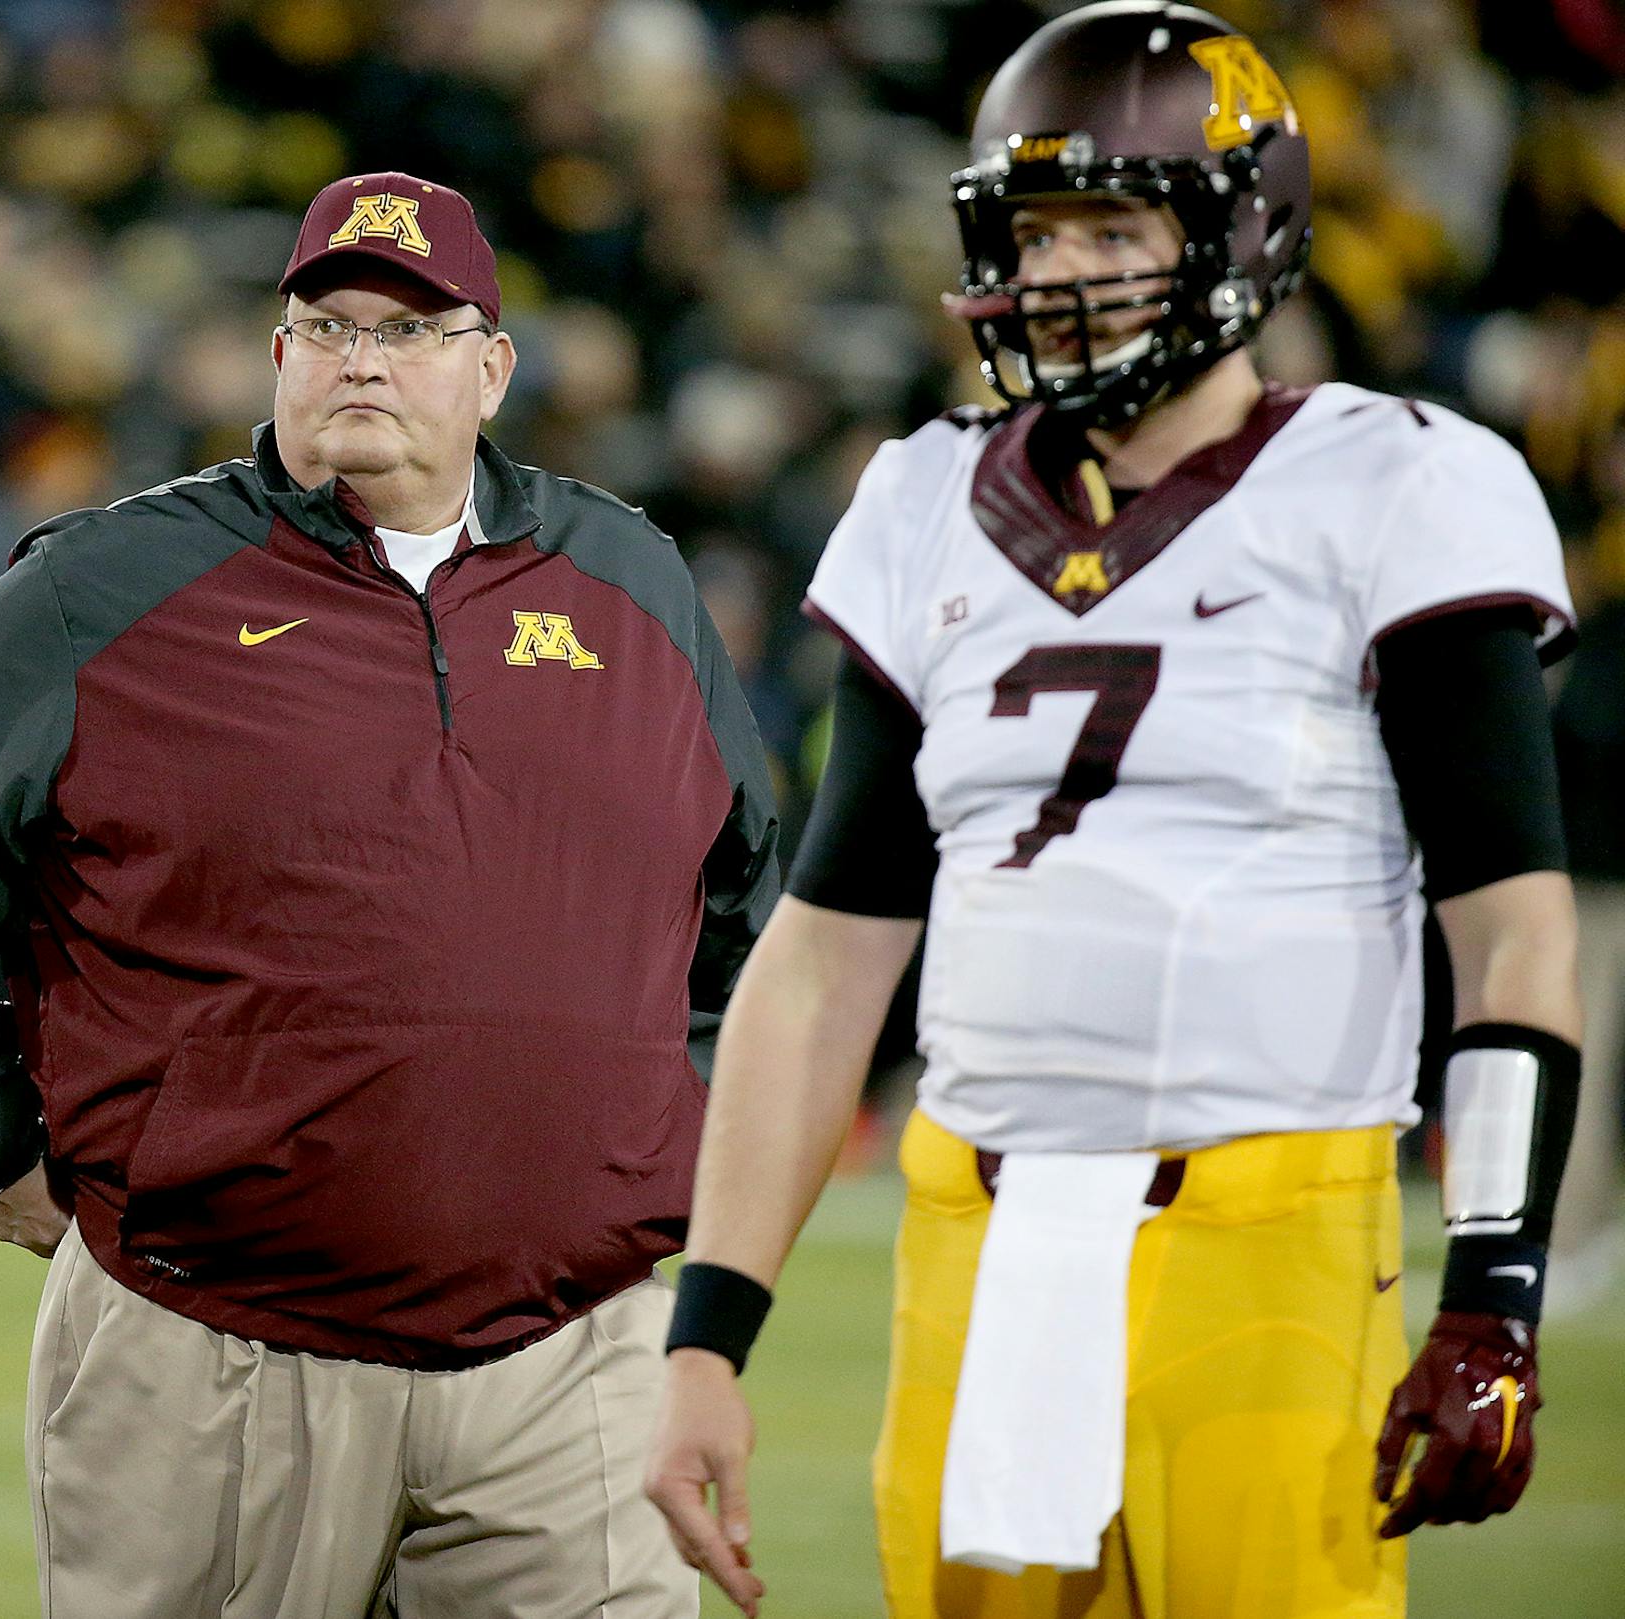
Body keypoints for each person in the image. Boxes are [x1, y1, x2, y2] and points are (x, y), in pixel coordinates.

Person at [642, 8, 1581, 1619]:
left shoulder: (1396, 482)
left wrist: (1494, 1296)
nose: (1061, 272)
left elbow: (1511, 935)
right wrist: (706, 1340)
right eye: (1035, 233)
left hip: (1268, 1231)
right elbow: (825, 958)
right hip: (975, 1230)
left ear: (1240, 233)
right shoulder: (925, 498)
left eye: (1112, 228)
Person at [0, 170, 778, 1619]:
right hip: (216, 1348)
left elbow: (743, 894)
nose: (363, 361)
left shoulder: (629, 580)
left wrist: (651, 1135)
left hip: (573, 1358)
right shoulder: (112, 586)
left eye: (412, 330)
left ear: (493, 368)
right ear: (278, 357)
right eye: (329, 326)